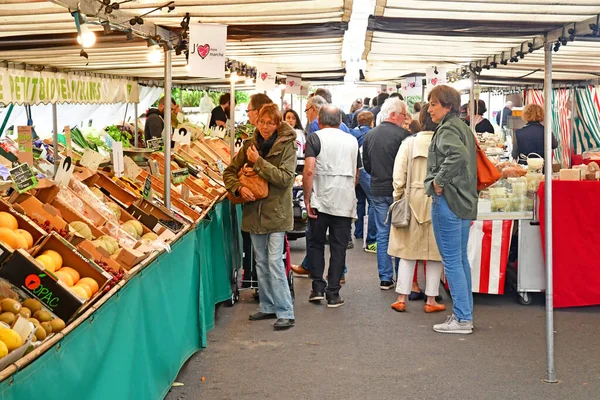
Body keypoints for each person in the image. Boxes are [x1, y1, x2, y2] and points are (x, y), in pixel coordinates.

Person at [223, 103, 297, 330]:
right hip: (254, 213)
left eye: (270, 123)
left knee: (274, 261)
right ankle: (267, 306)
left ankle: (285, 310)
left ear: (277, 124)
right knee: (261, 262)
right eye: (262, 122)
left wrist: (259, 163)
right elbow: (229, 173)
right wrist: (238, 189)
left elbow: (285, 178)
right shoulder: (248, 146)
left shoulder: (287, 146)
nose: (265, 127)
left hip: (277, 213)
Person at [424, 85, 478, 334]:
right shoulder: (461, 126)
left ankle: (462, 318)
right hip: (462, 201)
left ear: (447, 105)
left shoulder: (447, 129)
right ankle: (464, 314)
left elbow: (456, 156)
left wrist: (438, 181)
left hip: (450, 201)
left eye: (434, 103)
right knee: (459, 260)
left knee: (452, 260)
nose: (429, 108)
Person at [389, 104, 445, 313]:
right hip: (438, 198)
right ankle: (431, 300)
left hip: (411, 199)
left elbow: (398, 175)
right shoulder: (444, 142)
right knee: (434, 252)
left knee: (407, 250)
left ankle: (401, 297)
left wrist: (398, 196)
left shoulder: (409, 144)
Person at [303, 105, 360, 308]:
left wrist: (307, 199)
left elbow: (309, 170)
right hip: (344, 199)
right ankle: (333, 293)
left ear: (319, 119)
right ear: (340, 121)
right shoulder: (352, 140)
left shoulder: (315, 138)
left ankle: (317, 287)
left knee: (316, 243)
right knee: (339, 248)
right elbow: (356, 173)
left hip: (320, 199)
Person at [362, 97, 411, 290]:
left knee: (383, 234)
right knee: (400, 232)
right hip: (397, 191)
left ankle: (384, 277)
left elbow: (366, 164)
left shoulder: (370, 135)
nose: (404, 118)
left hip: (377, 188)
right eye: (403, 114)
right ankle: (400, 276)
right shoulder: (404, 136)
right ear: (393, 114)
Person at [352, 111, 377, 253]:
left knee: (360, 201)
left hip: (356, 169)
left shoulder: (352, 133)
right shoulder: (372, 134)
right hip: (366, 170)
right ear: (371, 122)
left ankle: (359, 231)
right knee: (373, 201)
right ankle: (371, 238)